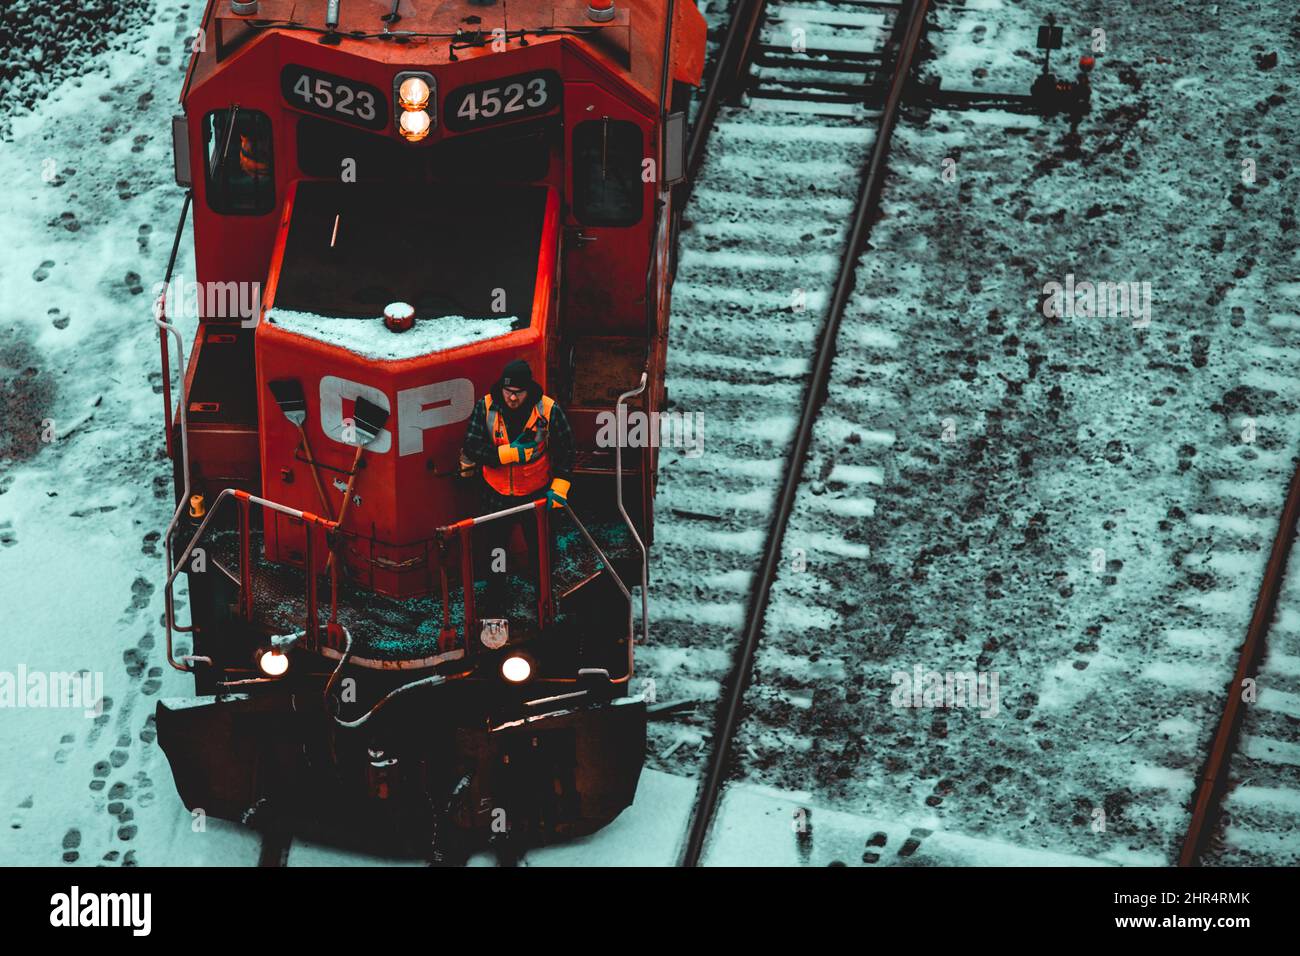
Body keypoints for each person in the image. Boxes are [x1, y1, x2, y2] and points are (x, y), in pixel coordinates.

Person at [460, 359, 574, 607]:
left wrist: (560, 485)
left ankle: (544, 597)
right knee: (496, 549)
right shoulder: (486, 407)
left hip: (536, 493)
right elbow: (472, 446)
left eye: (518, 393)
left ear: (528, 390)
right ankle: (496, 595)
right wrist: (507, 454)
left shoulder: (548, 410)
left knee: (541, 549)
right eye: (508, 391)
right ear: (502, 387)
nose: (512, 398)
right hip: (496, 495)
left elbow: (566, 449)